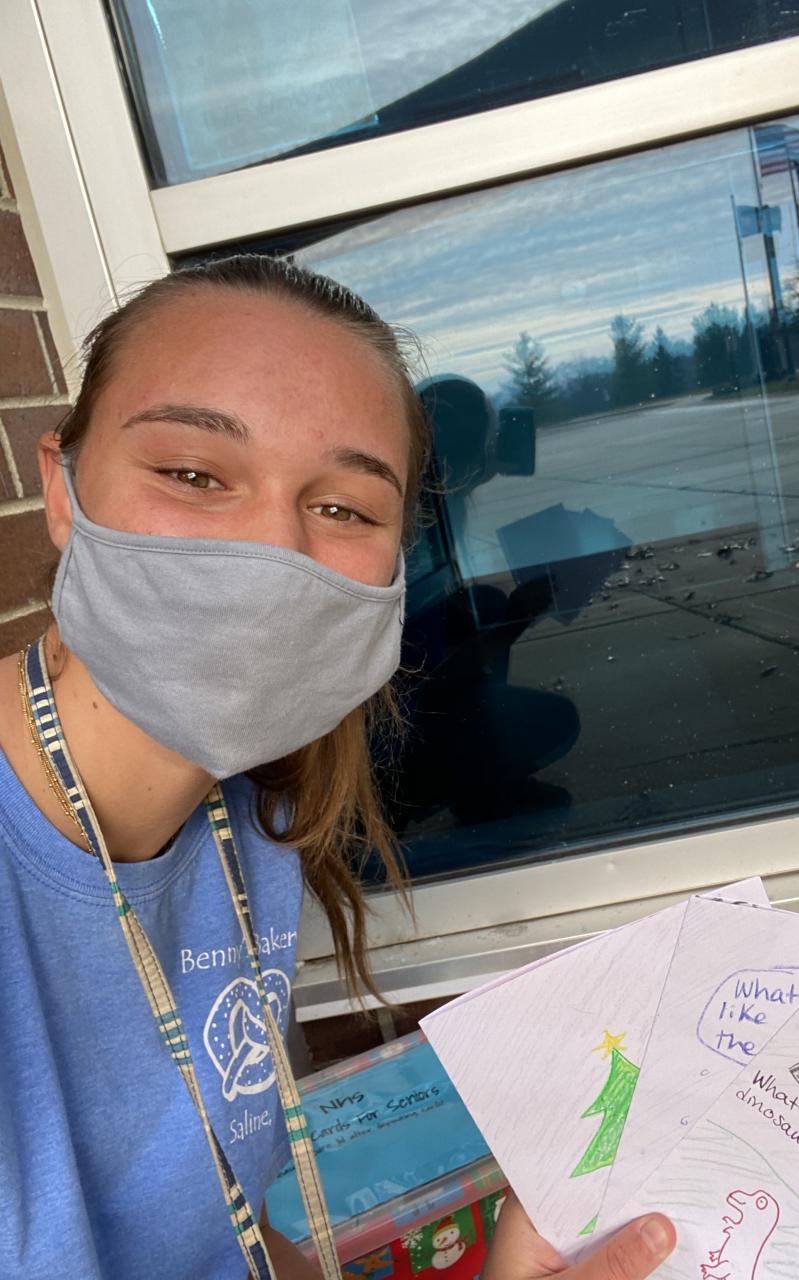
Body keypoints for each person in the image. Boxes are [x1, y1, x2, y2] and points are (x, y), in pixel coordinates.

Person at [0, 256, 677, 1279]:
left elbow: (222, 1236)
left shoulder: (250, 821)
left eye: (345, 509)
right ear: (62, 487)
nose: (273, 550)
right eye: (192, 474)